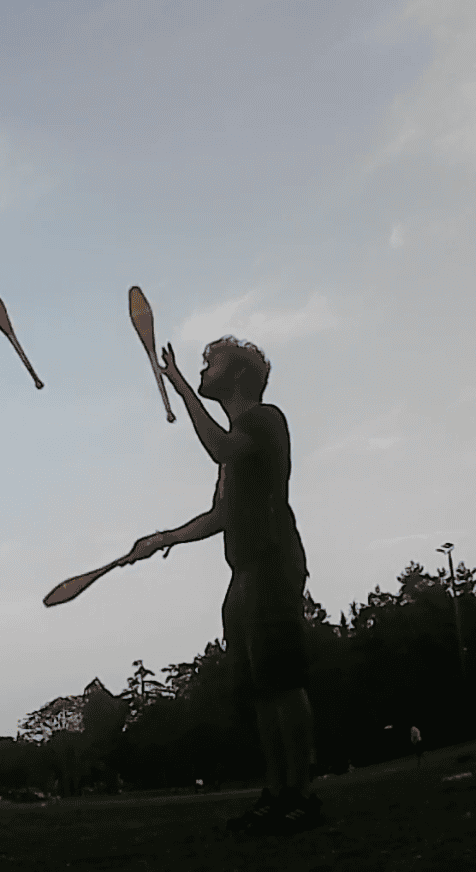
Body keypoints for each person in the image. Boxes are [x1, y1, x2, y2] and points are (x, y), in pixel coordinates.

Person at [112, 336, 320, 835]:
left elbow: (219, 448)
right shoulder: (235, 443)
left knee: (283, 683)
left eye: (212, 363)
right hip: (243, 570)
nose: (204, 368)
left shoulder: (264, 420)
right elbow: (220, 515)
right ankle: (275, 795)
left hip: (272, 563)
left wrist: (181, 387)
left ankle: (303, 795)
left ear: (240, 376)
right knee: (260, 689)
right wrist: (164, 538)